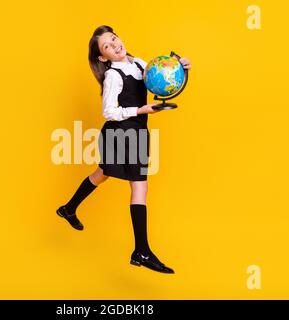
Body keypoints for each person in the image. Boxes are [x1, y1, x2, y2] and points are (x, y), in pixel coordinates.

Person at [56, 25, 191, 274]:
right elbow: (108, 111)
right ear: (102, 57)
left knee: (102, 174)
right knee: (140, 185)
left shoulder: (138, 63)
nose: (115, 45)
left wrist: (180, 70)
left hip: (137, 131)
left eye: (114, 39)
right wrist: (140, 110)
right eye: (107, 46)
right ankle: (141, 251)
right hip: (122, 132)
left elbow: (158, 83)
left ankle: (68, 209)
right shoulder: (113, 75)